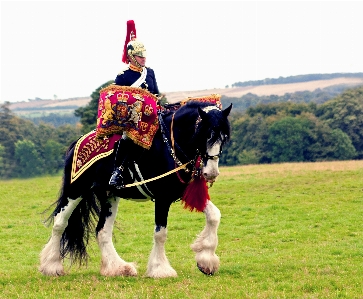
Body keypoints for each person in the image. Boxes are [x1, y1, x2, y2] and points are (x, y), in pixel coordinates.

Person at [109, 20, 160, 189]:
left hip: (151, 115)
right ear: (132, 56)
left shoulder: (150, 72)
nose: (144, 58)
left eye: (144, 55)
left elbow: (156, 94)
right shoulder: (123, 76)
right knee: (127, 138)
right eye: (140, 56)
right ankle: (118, 171)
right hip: (132, 119)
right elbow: (118, 100)